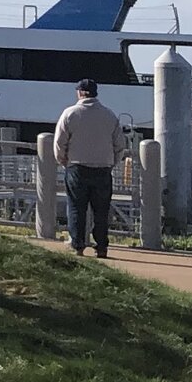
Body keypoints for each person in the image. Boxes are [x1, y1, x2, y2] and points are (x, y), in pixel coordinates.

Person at [52, 78, 126, 258]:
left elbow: (59, 143)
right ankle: (102, 247)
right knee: (101, 210)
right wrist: (111, 163)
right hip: (102, 168)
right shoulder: (109, 115)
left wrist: (64, 161)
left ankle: (77, 245)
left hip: (77, 167)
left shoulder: (70, 113)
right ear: (95, 93)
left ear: (79, 93)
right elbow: (119, 145)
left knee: (77, 207)